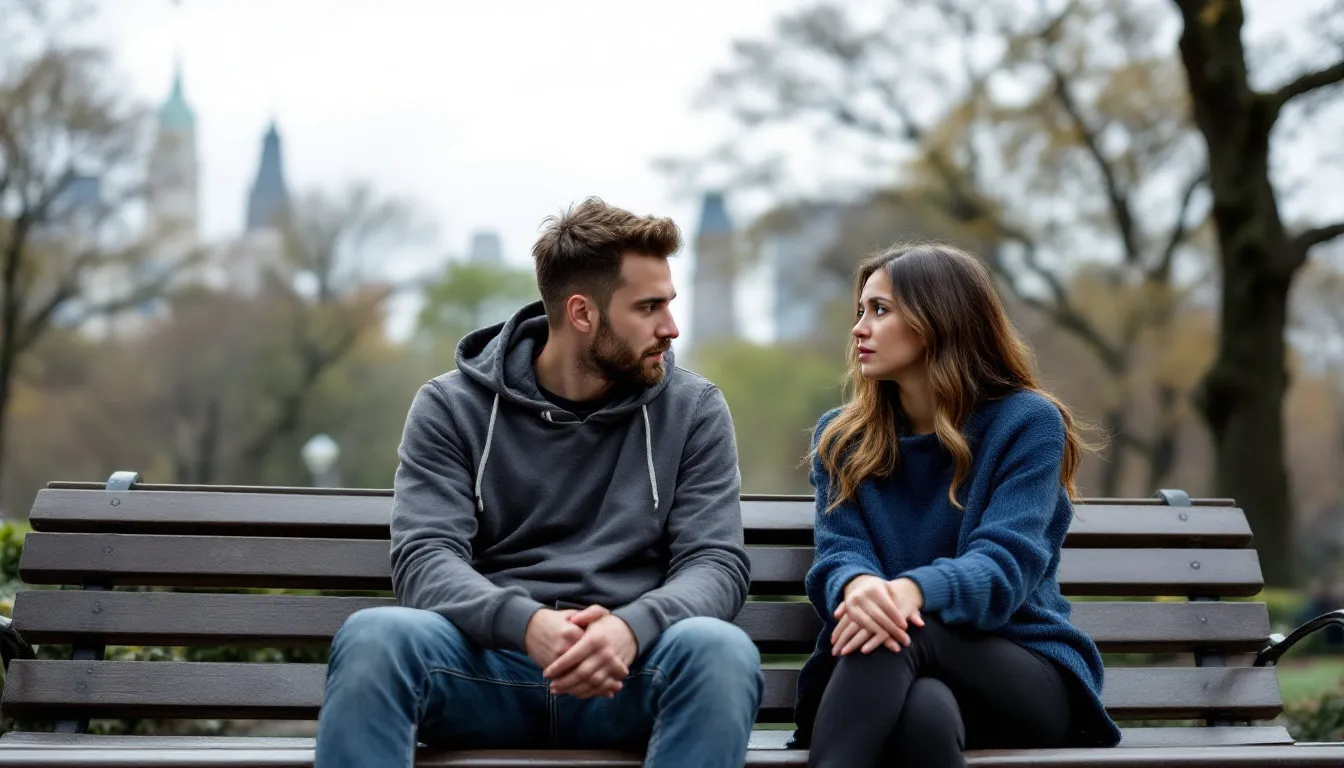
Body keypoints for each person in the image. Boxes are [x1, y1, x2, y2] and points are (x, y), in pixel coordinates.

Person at [314, 198, 762, 768]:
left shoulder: (692, 409)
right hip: (486, 670)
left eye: (669, 304)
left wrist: (632, 627)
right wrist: (526, 625)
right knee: (375, 638)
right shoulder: (451, 407)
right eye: (648, 307)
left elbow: (716, 563)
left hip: (629, 672)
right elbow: (425, 557)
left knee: (720, 651)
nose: (670, 328)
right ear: (582, 313)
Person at [790, 243, 1123, 767]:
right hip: (887, 678)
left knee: (896, 635)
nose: (858, 328)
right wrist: (860, 587)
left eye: (879, 310)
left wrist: (909, 592)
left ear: (939, 320)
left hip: (1019, 668)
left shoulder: (1026, 424)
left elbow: (1004, 568)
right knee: (925, 711)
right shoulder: (844, 436)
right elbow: (840, 552)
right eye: (860, 311)